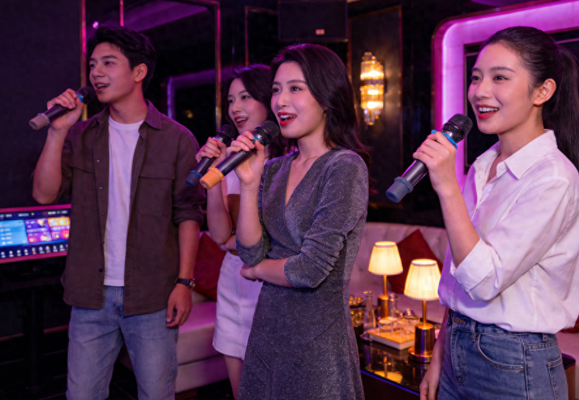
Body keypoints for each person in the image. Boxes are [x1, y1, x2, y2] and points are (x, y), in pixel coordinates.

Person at [32, 26, 205, 400]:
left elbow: (188, 214)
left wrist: (185, 282)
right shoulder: (80, 134)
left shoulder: (177, 139)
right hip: (90, 294)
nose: (96, 73)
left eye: (108, 63)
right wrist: (57, 132)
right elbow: (43, 194)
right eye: (93, 64)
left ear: (139, 72)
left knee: (156, 394)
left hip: (153, 295)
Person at [418, 26, 579, 400]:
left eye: (499, 78)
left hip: (514, 361)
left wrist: (447, 185)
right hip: (458, 346)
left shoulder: (553, 178)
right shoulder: (483, 165)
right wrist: (440, 353)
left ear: (542, 91)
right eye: (476, 77)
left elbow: (483, 280)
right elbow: (460, 276)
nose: (480, 91)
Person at [228, 44, 370, 400]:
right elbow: (249, 251)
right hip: (267, 332)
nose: (280, 101)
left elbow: (309, 270)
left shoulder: (344, 166)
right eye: (276, 90)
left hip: (317, 342)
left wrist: (257, 271)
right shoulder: (273, 168)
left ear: (326, 98)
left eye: (295, 88)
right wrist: (249, 184)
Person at [195, 64, 285, 399]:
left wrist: (238, 242)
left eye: (245, 97)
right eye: (231, 100)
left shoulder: (291, 161)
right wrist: (215, 174)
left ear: (268, 101)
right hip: (233, 280)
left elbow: (271, 239)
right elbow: (220, 236)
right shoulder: (234, 158)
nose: (235, 108)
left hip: (270, 284)